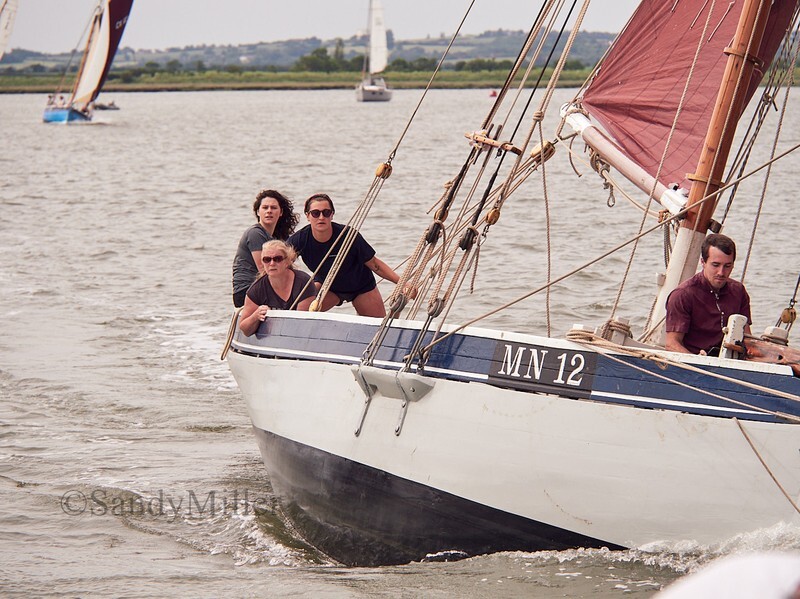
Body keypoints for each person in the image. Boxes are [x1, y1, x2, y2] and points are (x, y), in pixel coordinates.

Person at [287, 193, 401, 318]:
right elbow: (280, 263)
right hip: (328, 287)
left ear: (332, 215)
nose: (321, 217)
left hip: (361, 286)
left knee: (379, 326)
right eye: (315, 213)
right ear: (308, 216)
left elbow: (374, 264)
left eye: (326, 212)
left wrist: (402, 283)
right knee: (298, 313)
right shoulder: (300, 239)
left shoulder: (348, 235)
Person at [665, 233, 752, 355]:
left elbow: (747, 338)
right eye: (715, 265)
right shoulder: (682, 295)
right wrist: (696, 361)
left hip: (732, 361)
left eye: (727, 266)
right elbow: (672, 344)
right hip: (695, 361)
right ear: (703, 262)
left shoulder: (739, 291)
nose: (721, 272)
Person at [231, 189, 298, 307]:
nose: (269, 211)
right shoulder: (255, 233)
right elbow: (265, 270)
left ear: (281, 212)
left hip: (266, 287)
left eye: (273, 208)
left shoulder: (276, 238)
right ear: (258, 212)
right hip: (247, 291)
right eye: (265, 208)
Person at [238, 240, 316, 336]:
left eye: (277, 259)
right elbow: (245, 330)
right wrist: (256, 316)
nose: (272, 263)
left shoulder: (304, 283)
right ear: (262, 262)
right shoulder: (256, 290)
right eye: (267, 259)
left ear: (287, 262)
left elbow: (302, 324)